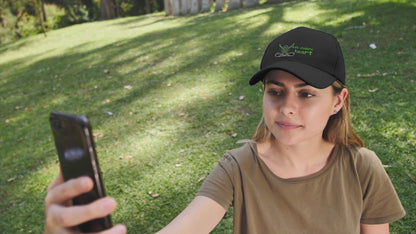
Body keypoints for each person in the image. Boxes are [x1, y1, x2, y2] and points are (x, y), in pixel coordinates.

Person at [44, 27, 405, 234]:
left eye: (307, 93)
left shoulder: (361, 168)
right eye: (275, 91)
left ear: (338, 101)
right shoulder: (238, 167)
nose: (287, 106)